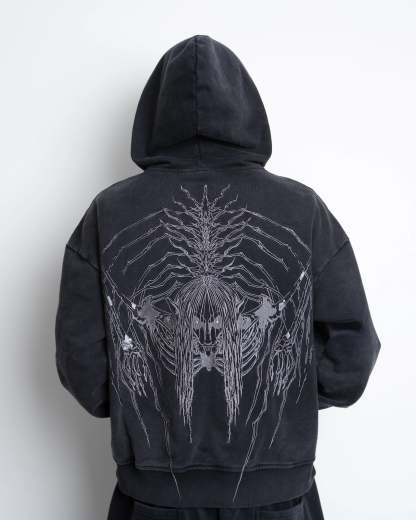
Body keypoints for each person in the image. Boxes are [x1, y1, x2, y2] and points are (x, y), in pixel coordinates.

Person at [55, 35, 381, 520]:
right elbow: (353, 352)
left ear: (152, 118)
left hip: (154, 498)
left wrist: (135, 406)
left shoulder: (109, 211)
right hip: (277, 497)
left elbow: (77, 356)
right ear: (249, 113)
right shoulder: (303, 209)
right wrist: (285, 398)